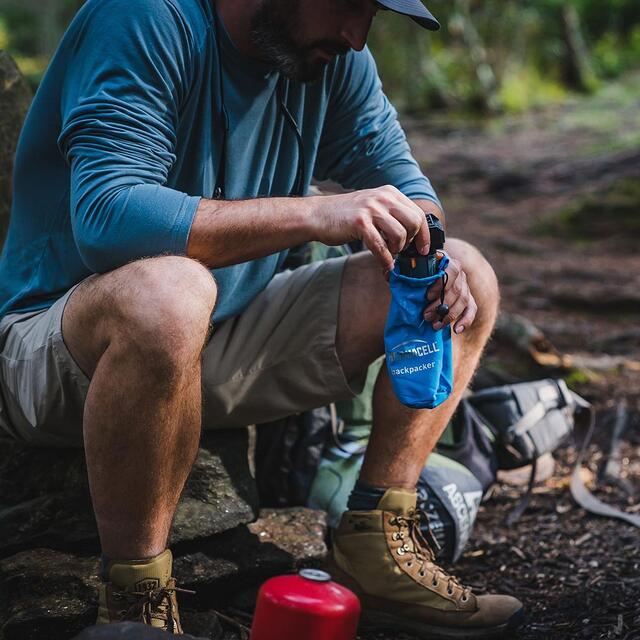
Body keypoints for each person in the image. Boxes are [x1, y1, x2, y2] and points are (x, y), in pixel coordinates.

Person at [0, 0, 523, 636]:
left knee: (467, 271)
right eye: (351, 8)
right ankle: (137, 604)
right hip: (60, 351)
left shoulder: (327, 58)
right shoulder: (144, 18)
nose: (357, 37)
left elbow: (399, 176)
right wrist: (314, 214)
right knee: (171, 293)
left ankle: (375, 540)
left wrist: (427, 242)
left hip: (219, 335)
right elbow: (111, 219)